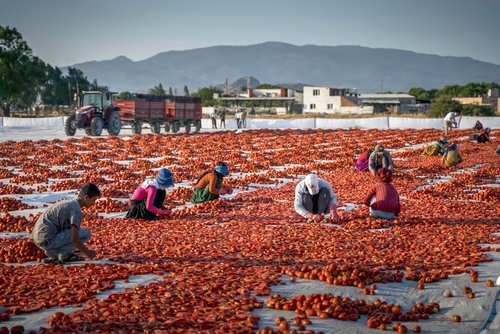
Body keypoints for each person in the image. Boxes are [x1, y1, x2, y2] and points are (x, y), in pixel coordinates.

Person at [31, 183, 100, 264]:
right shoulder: (76, 210)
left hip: (38, 239)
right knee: (86, 233)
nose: (94, 203)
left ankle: (65, 254)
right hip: (47, 240)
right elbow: (74, 239)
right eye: (93, 200)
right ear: (86, 197)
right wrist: (88, 253)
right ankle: (54, 252)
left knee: (69, 227)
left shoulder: (69, 203)